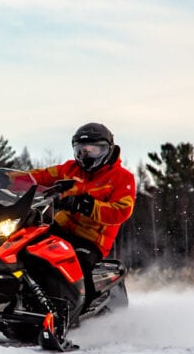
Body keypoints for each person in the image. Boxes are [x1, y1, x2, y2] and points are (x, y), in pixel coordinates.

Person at [28, 122, 136, 309]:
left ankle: (77, 309)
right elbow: (40, 176)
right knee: (24, 246)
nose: (86, 155)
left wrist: (85, 205)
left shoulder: (122, 178)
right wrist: (7, 179)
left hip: (91, 239)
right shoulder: (69, 169)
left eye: (94, 150)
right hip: (59, 229)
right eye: (81, 150)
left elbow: (121, 211)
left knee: (76, 262)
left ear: (108, 149)